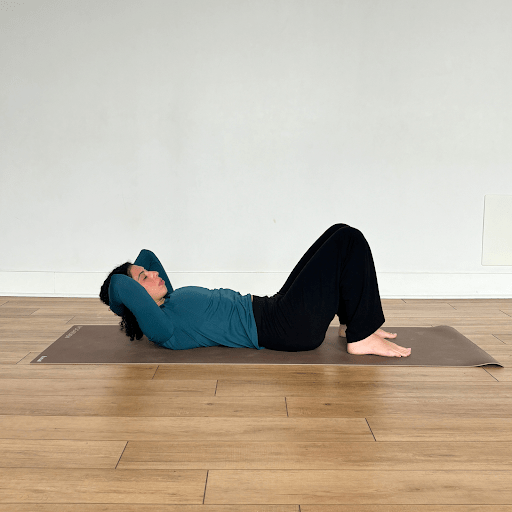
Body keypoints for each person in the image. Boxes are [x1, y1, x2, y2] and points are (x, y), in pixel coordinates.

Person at [99, 224, 411, 357]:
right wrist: (121, 293)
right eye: (144, 278)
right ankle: (361, 338)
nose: (154, 273)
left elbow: (147, 256)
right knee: (349, 240)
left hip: (272, 309)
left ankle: (353, 324)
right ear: (136, 302)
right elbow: (120, 286)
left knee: (338, 232)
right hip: (282, 328)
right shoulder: (163, 328)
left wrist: (139, 272)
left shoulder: (170, 301)